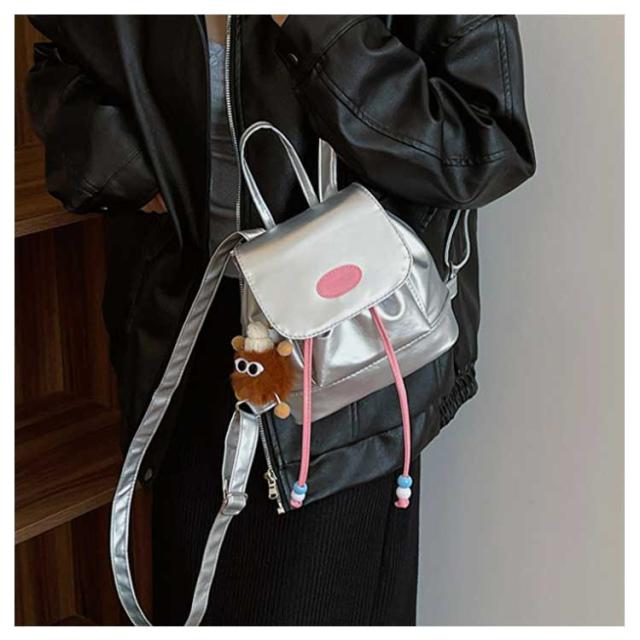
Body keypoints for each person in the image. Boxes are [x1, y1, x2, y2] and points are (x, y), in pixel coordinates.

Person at [26, 15, 535, 625]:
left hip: (349, 357)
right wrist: (129, 169)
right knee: (193, 600)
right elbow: (61, 63)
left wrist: (313, 23)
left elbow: (483, 148)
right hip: (185, 330)